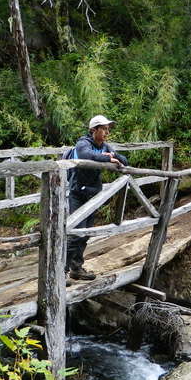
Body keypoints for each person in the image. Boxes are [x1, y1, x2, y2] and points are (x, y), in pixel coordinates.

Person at [65, 114, 128, 280]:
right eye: (104, 129)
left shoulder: (105, 146)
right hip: (78, 193)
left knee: (86, 233)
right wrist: (108, 158)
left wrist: (114, 157)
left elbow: (124, 161)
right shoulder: (83, 143)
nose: (107, 132)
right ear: (94, 130)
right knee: (76, 233)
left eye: (108, 129)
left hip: (93, 194)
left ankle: (76, 268)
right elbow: (86, 155)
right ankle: (61, 272)